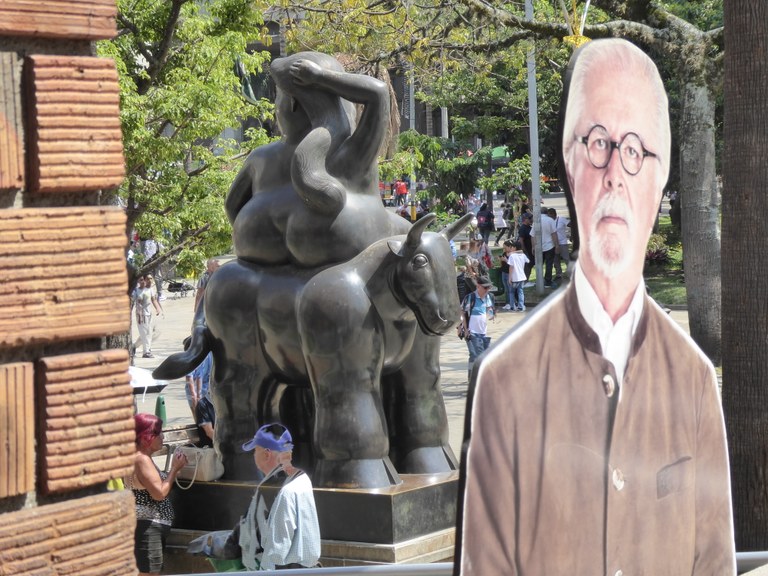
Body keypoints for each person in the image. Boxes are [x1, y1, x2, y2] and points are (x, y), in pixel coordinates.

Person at [457, 38, 735, 575]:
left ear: (659, 178)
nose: (614, 173)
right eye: (599, 143)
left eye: (635, 150)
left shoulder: (695, 380)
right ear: (569, 161)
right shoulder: (505, 380)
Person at [237, 423, 321, 570]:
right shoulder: (302, 478)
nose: (254, 455)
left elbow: (277, 548)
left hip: (288, 570)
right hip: (307, 569)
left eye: (255, 450)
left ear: (267, 454)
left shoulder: (279, 491)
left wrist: (265, 571)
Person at [127, 413, 188, 576]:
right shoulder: (141, 460)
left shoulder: (141, 458)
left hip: (148, 528)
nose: (162, 437)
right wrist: (174, 469)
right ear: (146, 436)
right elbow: (159, 493)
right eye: (158, 433)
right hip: (148, 528)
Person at [458, 275, 496, 380]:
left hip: (483, 332)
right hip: (471, 332)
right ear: (478, 286)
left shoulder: (488, 297)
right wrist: (465, 329)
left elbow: (489, 311)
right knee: (474, 355)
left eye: (489, 287)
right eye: (485, 287)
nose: (488, 290)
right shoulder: (470, 298)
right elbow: (462, 313)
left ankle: (476, 377)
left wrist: (492, 315)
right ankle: (473, 378)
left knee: (483, 355)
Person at [134, 275, 163, 358]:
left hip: (149, 314)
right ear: (138, 281)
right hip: (141, 315)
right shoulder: (136, 291)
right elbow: (136, 304)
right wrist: (139, 315)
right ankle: (146, 352)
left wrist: (158, 309)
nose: (143, 281)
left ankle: (133, 346)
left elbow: (154, 300)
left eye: (144, 280)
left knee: (150, 333)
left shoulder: (150, 290)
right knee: (145, 333)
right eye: (141, 280)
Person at [185, 352, 212, 418]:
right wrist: (195, 396)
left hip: (206, 387)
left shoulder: (209, 353)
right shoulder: (210, 353)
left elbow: (193, 376)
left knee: (202, 417)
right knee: (200, 416)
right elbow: (192, 377)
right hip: (200, 386)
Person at [548, 207, 571, 280]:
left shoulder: (561, 219)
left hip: (562, 242)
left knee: (566, 258)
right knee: (556, 260)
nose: (549, 217)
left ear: (554, 214)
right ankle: (558, 274)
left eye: (550, 215)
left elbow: (570, 224)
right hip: (554, 243)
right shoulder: (549, 221)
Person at [506, 239, 529, 311]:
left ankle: (512, 306)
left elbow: (511, 267)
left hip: (514, 277)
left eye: (512, 247)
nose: (511, 248)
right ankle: (521, 306)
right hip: (522, 277)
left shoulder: (512, 256)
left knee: (511, 292)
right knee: (520, 292)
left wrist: (509, 278)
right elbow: (528, 261)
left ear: (515, 247)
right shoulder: (523, 255)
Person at [517, 212, 534, 280]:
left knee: (530, 264)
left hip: (530, 250)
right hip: (526, 250)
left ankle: (526, 279)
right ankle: (525, 280)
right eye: (529, 218)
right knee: (527, 265)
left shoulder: (529, 227)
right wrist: (524, 250)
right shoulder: (523, 228)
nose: (531, 220)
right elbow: (521, 239)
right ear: (525, 219)